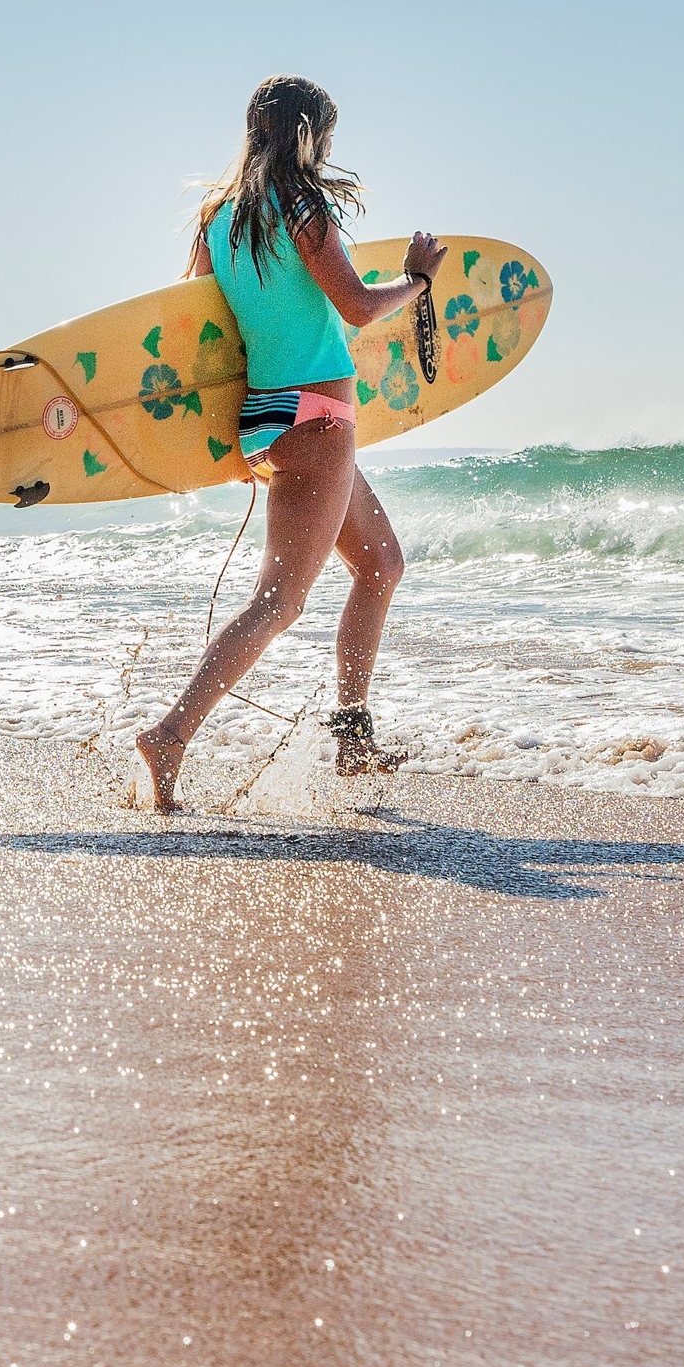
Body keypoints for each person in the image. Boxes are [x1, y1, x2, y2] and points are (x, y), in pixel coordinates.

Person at [135, 75, 446, 813]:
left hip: (268, 417)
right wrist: (417, 282)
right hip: (319, 420)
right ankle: (172, 733)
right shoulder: (303, 204)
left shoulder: (217, 219)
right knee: (279, 603)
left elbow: (207, 334)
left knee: (381, 563)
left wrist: (231, 437)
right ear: (310, 135)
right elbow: (356, 307)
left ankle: (352, 738)